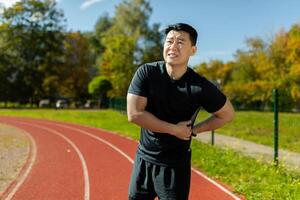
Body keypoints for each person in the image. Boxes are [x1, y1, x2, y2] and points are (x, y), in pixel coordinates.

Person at [127, 23, 235, 200]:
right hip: (144, 158)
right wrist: (174, 129)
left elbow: (227, 114)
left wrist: (195, 130)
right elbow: (134, 114)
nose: (173, 46)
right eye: (169, 41)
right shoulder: (147, 72)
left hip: (175, 165)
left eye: (180, 42)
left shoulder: (199, 86)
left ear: (193, 50)